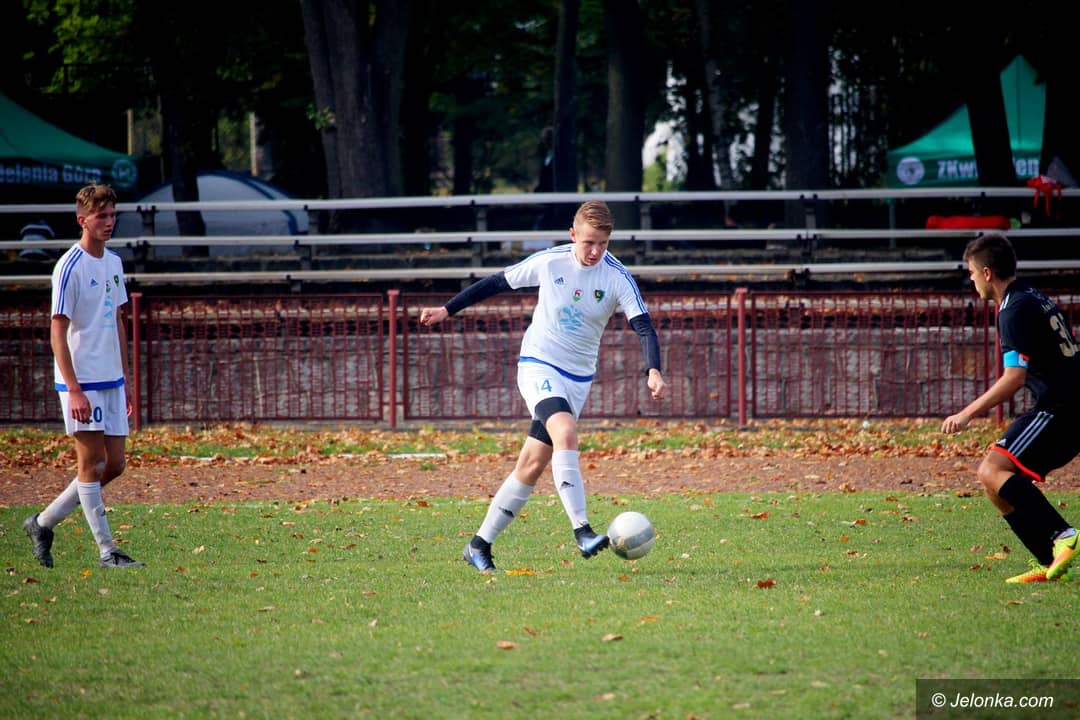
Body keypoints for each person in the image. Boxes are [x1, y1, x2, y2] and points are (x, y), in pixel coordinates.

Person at [420, 199, 666, 572]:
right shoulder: (551, 262)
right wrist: (446, 310)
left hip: (578, 379)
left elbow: (643, 326)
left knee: (532, 465)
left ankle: (478, 545)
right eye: (588, 242)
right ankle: (583, 530)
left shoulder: (617, 276)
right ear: (573, 235)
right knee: (564, 431)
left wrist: (653, 370)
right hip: (539, 364)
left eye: (602, 243)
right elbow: (497, 282)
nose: (595, 251)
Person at [942, 232, 1079, 583]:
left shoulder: (1012, 310)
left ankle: (1064, 534)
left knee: (991, 469)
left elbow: (1014, 378)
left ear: (987, 273)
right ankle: (1049, 561)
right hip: (1066, 401)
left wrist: (966, 413)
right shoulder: (1031, 295)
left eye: (972, 273)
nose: (971, 280)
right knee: (995, 485)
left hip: (1062, 405)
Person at [23, 183, 144, 569]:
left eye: (112, 215)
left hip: (111, 378)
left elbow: (118, 320)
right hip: (83, 381)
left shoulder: (114, 263)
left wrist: (125, 378)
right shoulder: (69, 266)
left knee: (115, 464)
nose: (109, 222)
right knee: (91, 463)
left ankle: (43, 522)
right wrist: (73, 389)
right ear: (83, 220)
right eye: (101, 216)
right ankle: (108, 551)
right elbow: (57, 330)